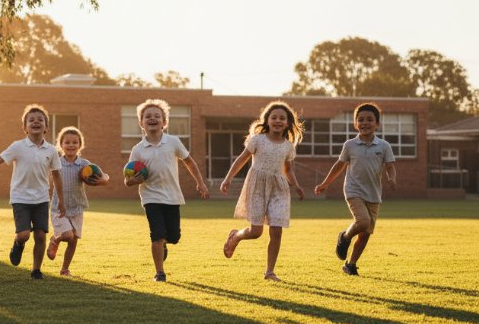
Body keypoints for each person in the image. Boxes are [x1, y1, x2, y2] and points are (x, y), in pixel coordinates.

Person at [0, 104, 65, 280]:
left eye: (40, 120)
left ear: (46, 127)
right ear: (24, 128)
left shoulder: (52, 150)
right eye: (31, 120)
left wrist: (60, 200)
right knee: (24, 235)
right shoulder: (18, 147)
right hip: (20, 198)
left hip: (41, 198)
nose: (36, 122)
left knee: (40, 235)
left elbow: (56, 176)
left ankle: (36, 270)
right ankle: (18, 243)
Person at [125, 99, 209, 282]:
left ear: (164, 122)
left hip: (172, 196)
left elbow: (189, 162)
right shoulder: (138, 149)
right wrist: (132, 181)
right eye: (148, 116)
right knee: (156, 234)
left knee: (174, 236)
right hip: (150, 197)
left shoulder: (173, 142)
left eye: (157, 116)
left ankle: (164, 244)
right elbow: (127, 179)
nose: (152, 118)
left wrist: (200, 183)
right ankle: (160, 273)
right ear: (141, 123)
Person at [220, 101, 305, 282]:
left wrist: (296, 186)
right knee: (256, 231)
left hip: (279, 189)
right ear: (266, 120)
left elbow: (288, 169)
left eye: (282, 118)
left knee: (276, 231)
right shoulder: (257, 140)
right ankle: (236, 236)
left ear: (288, 122)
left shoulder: (288, 147)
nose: (278, 121)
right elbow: (242, 159)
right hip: (257, 186)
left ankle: (270, 272)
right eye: (274, 117)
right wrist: (228, 178)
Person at [315, 102, 397, 276]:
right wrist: (325, 183)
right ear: (355, 123)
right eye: (360, 119)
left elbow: (390, 166)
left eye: (369, 120)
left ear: (377, 124)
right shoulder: (350, 145)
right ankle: (344, 237)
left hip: (374, 194)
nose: (364, 123)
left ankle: (350, 265)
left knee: (366, 233)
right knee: (363, 222)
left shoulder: (384, 146)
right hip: (353, 190)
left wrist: (392, 178)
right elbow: (339, 165)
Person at [46, 126, 109, 277]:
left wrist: (101, 180)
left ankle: (65, 269)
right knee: (67, 235)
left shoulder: (84, 164)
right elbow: (46, 179)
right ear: (61, 145)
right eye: (67, 142)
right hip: (59, 207)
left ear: (80, 145)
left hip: (77, 207)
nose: (71, 145)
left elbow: (105, 177)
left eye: (75, 142)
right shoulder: (56, 163)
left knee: (73, 240)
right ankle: (55, 239)